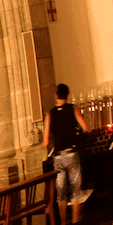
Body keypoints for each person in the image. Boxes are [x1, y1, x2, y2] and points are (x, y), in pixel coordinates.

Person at [44, 83, 86, 217]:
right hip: (71, 152)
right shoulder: (72, 108)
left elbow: (45, 142)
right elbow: (85, 128)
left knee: (61, 192)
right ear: (67, 95)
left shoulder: (50, 114)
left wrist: (53, 138)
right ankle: (75, 222)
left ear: (56, 95)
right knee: (76, 190)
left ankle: (62, 224)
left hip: (58, 156)